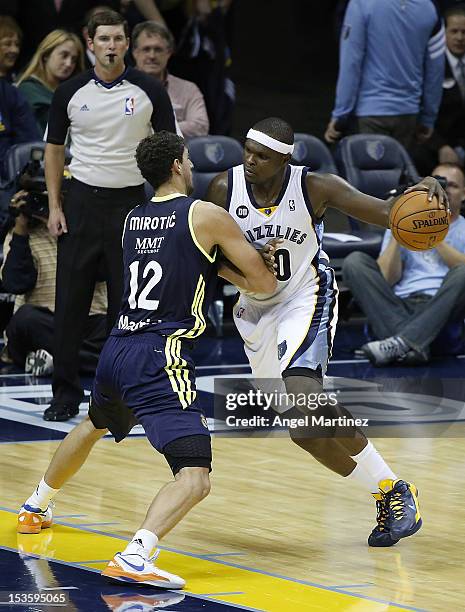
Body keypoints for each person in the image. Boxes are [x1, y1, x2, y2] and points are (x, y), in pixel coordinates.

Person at [17, 130, 276, 588]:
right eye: (190, 160)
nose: (194, 167)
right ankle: (137, 555)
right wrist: (260, 259)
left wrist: (222, 261)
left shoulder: (133, 217)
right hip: (161, 354)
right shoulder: (205, 214)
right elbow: (262, 286)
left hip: (118, 347)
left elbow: (190, 263)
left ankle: (36, 506)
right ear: (177, 165)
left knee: (93, 424)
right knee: (195, 476)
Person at [207, 116, 447, 547]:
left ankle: (395, 489)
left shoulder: (315, 187)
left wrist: (424, 187)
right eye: (247, 150)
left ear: (284, 160)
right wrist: (243, 266)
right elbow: (207, 258)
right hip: (254, 309)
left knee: (302, 389)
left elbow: (386, 212)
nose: (249, 160)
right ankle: (387, 493)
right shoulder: (224, 189)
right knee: (304, 432)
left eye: (261, 156)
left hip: (306, 296)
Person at [44, 9, 176, 423]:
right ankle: (64, 392)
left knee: (131, 305)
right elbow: (53, 150)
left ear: (126, 43)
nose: (112, 46)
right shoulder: (69, 92)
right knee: (70, 305)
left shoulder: (149, 89)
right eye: (104, 39)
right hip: (81, 203)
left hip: (132, 206)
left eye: (118, 39)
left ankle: (123, 393)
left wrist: (169, 204)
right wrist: (54, 206)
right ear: (90, 42)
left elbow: (170, 147)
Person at [343, 163, 465, 367]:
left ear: (463, 194)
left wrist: (434, 232)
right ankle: (413, 343)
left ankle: (400, 341)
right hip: (398, 305)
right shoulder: (405, 222)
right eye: (439, 183)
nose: (443, 190)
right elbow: (386, 278)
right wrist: (401, 231)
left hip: (442, 305)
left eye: (451, 185)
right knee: (354, 262)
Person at [1, 190, 107, 376]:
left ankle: (54, 361)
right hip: (46, 322)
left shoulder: (89, 228)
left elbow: (101, 273)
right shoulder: (19, 234)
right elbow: (16, 284)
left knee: (119, 326)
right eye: (42, 199)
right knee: (24, 320)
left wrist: (70, 227)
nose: (48, 204)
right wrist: (20, 226)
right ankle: (98, 362)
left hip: (88, 321)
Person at [324, 0, 445, 149]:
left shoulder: (361, 4)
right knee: (400, 171)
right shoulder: (429, 8)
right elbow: (436, 71)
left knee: (365, 172)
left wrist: (341, 114)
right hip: (408, 114)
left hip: (369, 112)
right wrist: (428, 118)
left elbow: (351, 62)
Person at [132, 21, 209, 138]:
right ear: (135, 52)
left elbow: (200, 127)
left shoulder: (188, 89)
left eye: (158, 50)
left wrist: (154, 128)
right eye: (146, 49)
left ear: (168, 53)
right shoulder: (122, 87)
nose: (152, 56)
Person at [412, 5, 465, 174]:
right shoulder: (429, 65)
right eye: (454, 31)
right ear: (444, 32)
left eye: (464, 32)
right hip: (433, 144)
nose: (460, 37)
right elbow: (418, 113)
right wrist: (441, 146)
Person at [17, 30, 84, 135]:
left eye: (74, 59)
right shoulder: (27, 90)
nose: (68, 64)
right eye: (64, 55)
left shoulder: (75, 93)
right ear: (46, 55)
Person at [0, 17, 39, 178]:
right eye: (8, 43)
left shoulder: (13, 94)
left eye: (17, 44)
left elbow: (30, 142)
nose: (14, 50)